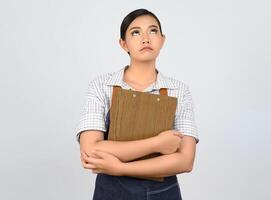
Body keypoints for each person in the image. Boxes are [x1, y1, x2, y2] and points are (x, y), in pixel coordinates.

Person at [76, 8, 199, 200]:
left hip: (163, 194)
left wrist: (120, 167)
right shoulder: (102, 86)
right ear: (123, 44)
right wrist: (157, 144)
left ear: (162, 40)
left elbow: (185, 161)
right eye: (135, 32)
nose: (145, 38)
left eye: (152, 31)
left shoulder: (179, 90)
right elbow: (91, 150)